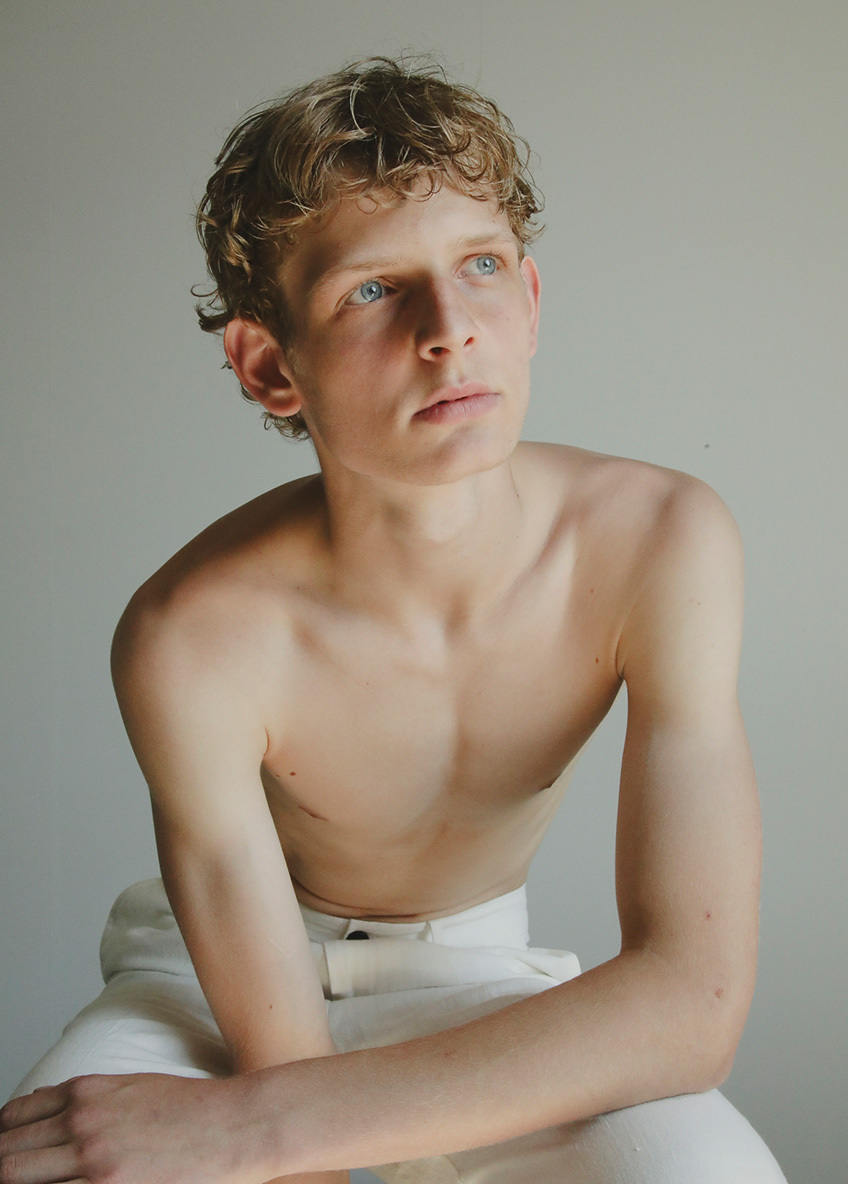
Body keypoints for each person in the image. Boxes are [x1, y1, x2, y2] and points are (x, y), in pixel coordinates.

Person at [0, 57, 787, 1184]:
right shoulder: (192, 632)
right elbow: (277, 1063)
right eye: (372, 290)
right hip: (205, 994)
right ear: (268, 365)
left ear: (528, 301)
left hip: (479, 977)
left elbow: (690, 1002)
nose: (449, 329)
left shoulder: (661, 538)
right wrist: (250, 1122)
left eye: (480, 266)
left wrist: (248, 1130)